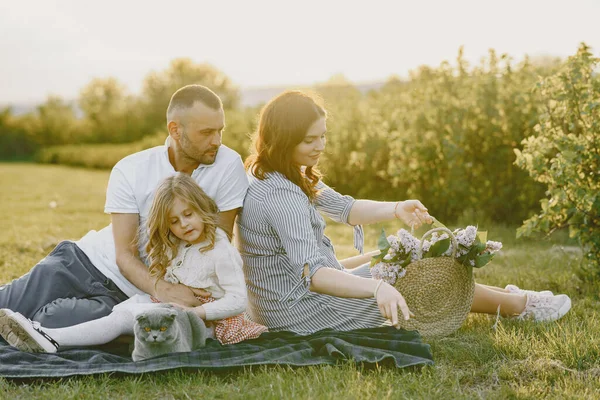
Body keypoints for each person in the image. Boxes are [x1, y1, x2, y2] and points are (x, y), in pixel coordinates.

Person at [236, 90, 572, 335]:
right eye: (310, 140)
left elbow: (346, 208)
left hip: (284, 298)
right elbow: (315, 275)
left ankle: (509, 298)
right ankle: (519, 307)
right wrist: (378, 288)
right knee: (413, 268)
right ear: (283, 140)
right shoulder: (282, 195)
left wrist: (397, 208)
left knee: (397, 254)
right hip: (303, 311)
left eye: (323, 136)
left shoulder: (273, 171)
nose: (320, 146)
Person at [0, 85, 249, 328]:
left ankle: (34, 323)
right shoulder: (131, 168)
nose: (216, 141)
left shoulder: (228, 165)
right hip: (83, 263)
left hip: (125, 296)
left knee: (48, 323)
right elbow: (125, 255)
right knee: (7, 305)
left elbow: (217, 242)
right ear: (175, 130)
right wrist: (164, 289)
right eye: (206, 132)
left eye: (220, 131)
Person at [0, 173, 267, 352]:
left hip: (205, 318)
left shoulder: (219, 248)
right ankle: (45, 335)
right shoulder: (179, 244)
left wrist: (196, 313)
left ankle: (48, 336)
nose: (183, 224)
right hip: (167, 304)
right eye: (174, 221)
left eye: (188, 214)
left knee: (121, 319)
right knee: (120, 316)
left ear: (202, 207)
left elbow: (237, 300)